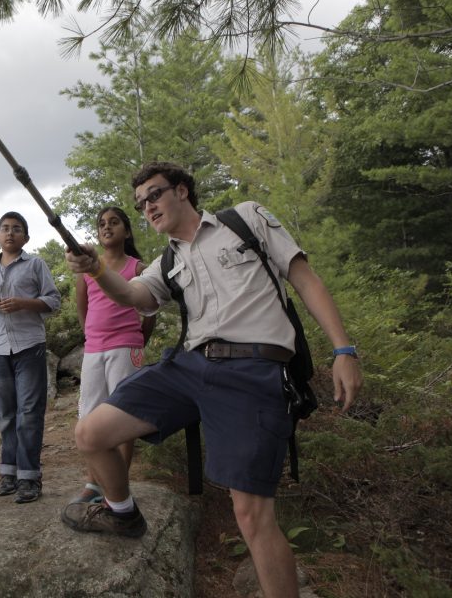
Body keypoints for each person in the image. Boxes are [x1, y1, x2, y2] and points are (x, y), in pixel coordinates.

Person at [61, 162, 362, 598]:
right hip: (189, 367)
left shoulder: (246, 220)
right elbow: (131, 295)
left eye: (154, 195)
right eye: (140, 203)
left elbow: (304, 279)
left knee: (251, 514)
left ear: (182, 191)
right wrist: (94, 269)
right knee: (91, 432)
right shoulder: (166, 262)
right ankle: (122, 512)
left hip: (255, 371)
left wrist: (343, 349)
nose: (147, 207)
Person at [0, 212, 61, 504]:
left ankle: (30, 477)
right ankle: (8, 473)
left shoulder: (35, 264)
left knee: (29, 413)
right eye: (5, 229)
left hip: (29, 346)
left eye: (17, 229)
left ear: (26, 237)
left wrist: (24, 303)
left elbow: (54, 301)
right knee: (7, 414)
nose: (10, 233)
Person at [71, 206, 156, 504]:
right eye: (102, 224)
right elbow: (82, 305)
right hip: (94, 349)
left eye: (115, 222)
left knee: (122, 416)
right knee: (90, 417)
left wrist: (138, 340)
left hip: (126, 348)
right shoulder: (86, 270)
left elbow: (149, 311)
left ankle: (118, 488)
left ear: (127, 231)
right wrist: (90, 334)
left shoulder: (138, 268)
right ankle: (94, 483)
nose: (107, 227)